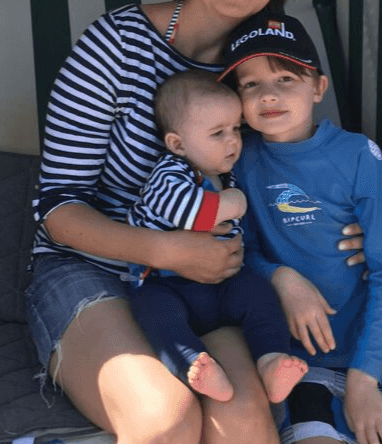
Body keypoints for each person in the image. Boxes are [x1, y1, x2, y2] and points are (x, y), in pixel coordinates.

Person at [26, 0, 366, 444]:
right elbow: (56, 207)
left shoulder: (261, 71)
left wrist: (341, 224)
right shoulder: (115, 46)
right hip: (87, 265)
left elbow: (294, 172)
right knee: (167, 421)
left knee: (243, 425)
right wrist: (168, 249)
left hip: (210, 278)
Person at [221, 12, 382, 444]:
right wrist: (281, 278)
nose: (268, 94)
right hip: (294, 363)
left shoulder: (359, 154)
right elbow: (233, 252)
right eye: (250, 85)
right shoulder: (239, 159)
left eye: (286, 78)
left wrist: (363, 382)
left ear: (318, 87)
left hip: (373, 359)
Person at [127, 70, 308, 403]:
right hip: (168, 286)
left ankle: (271, 361)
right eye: (217, 133)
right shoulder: (169, 173)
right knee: (155, 314)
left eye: (236, 129)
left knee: (258, 295)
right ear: (177, 143)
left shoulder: (226, 175)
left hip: (222, 285)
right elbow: (185, 212)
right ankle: (193, 364)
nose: (232, 141)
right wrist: (232, 203)